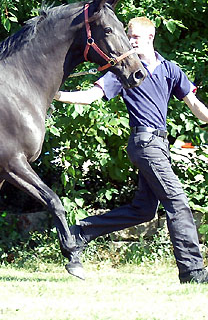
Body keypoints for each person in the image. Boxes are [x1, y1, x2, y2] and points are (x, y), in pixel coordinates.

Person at [54, 16, 208, 283]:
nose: (130, 42)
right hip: (145, 144)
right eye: (128, 37)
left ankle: (79, 233)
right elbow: (91, 97)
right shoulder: (124, 71)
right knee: (178, 202)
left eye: (135, 37)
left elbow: (195, 106)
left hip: (161, 145)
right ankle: (193, 272)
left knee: (143, 211)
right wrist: (56, 95)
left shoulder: (170, 69)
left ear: (150, 37)